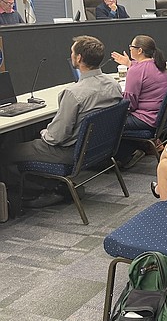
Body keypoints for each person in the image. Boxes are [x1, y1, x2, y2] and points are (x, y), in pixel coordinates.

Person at [1, 35, 122, 207]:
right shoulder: (113, 85)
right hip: (95, 149)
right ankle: (54, 186)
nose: (71, 54)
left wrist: (43, 132)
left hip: (68, 152)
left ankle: (37, 192)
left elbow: (55, 138)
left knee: (6, 152)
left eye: (72, 52)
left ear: (79, 58)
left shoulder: (74, 94)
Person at [111, 35, 167, 167]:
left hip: (145, 118)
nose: (130, 49)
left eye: (131, 47)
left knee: (108, 121)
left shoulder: (135, 71)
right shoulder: (159, 65)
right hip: (158, 116)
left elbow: (129, 104)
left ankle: (125, 155)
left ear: (139, 51)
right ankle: (143, 146)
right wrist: (128, 63)